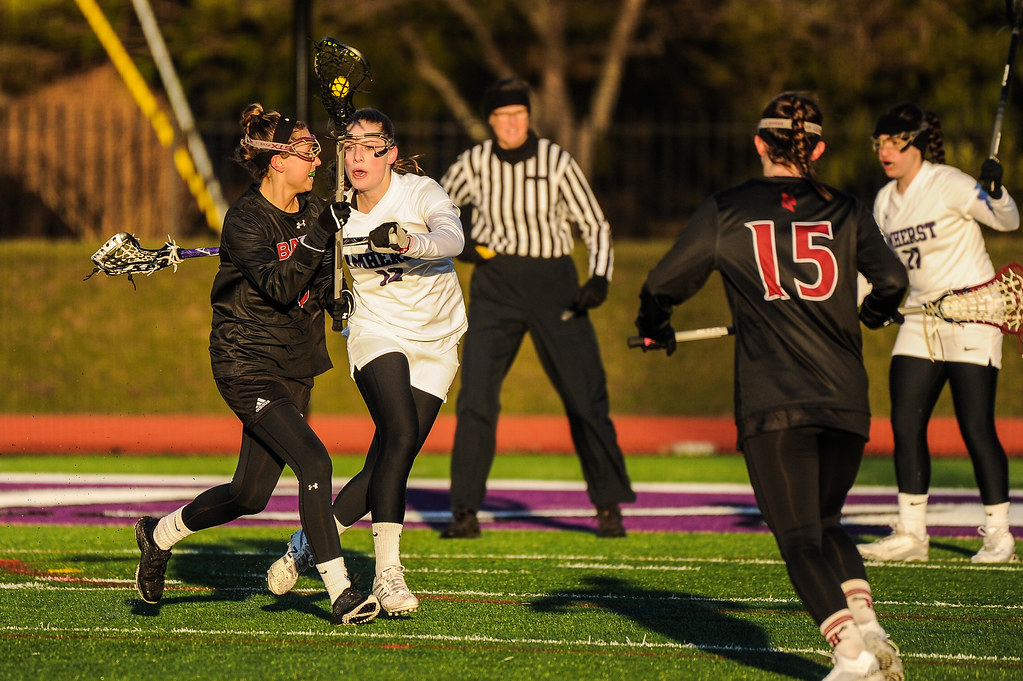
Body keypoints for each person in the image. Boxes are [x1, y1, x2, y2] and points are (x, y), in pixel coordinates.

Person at [634, 92, 908, 681]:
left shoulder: (727, 209)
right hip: (844, 397)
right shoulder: (848, 208)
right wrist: (875, 313)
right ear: (818, 148)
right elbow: (891, 281)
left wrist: (654, 328)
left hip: (775, 400)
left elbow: (661, 286)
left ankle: (851, 656)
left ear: (760, 143)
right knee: (827, 521)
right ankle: (868, 625)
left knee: (799, 537)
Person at [133, 103, 380, 625]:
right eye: (305, 151)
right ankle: (341, 591)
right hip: (245, 360)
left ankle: (159, 536)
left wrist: (333, 299)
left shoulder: (313, 209)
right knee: (314, 462)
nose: (316, 160)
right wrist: (317, 238)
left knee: (250, 494)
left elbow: (310, 285)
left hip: (295, 362)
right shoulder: (244, 221)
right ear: (276, 162)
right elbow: (280, 284)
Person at [265, 108, 467, 616]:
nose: (356, 157)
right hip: (377, 332)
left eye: (368, 147)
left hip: (439, 340)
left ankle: (308, 542)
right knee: (399, 435)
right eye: (348, 147)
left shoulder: (420, 192)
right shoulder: (335, 212)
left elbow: (453, 239)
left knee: (386, 461)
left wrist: (409, 241)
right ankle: (388, 576)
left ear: (390, 154)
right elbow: (306, 265)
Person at [437, 77, 636, 539]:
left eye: (519, 115)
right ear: (490, 121)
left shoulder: (556, 160)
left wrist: (599, 278)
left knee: (585, 396)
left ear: (529, 117)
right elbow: (438, 208)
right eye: (502, 116)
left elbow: (594, 223)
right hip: (497, 283)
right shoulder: (473, 162)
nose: (511, 123)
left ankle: (609, 504)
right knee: (477, 397)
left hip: (554, 283)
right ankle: (464, 509)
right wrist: (463, 245)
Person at [856, 103, 1020, 564]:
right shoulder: (886, 201)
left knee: (975, 427)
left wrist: (997, 191)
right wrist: (840, 306)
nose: (884, 151)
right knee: (906, 423)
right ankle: (911, 535)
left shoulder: (949, 183)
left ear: (917, 146)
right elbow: (877, 272)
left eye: (894, 143)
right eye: (880, 143)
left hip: (972, 312)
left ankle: (999, 535)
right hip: (920, 318)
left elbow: (1007, 221)